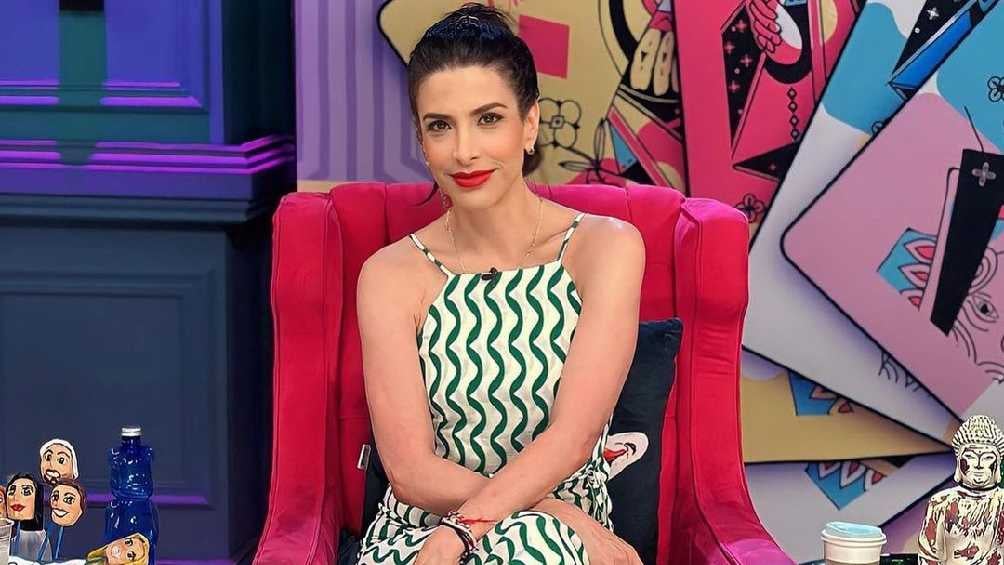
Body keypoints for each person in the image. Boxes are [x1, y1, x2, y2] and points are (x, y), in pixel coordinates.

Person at [355, 4, 645, 564]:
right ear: (421, 140)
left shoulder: (605, 248)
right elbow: (411, 471)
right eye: (440, 126)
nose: (464, 150)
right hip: (424, 530)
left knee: (533, 546)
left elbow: (573, 438)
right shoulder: (390, 274)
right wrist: (538, 514)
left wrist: (490, 529)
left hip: (558, 546)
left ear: (529, 124)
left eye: (488, 119)